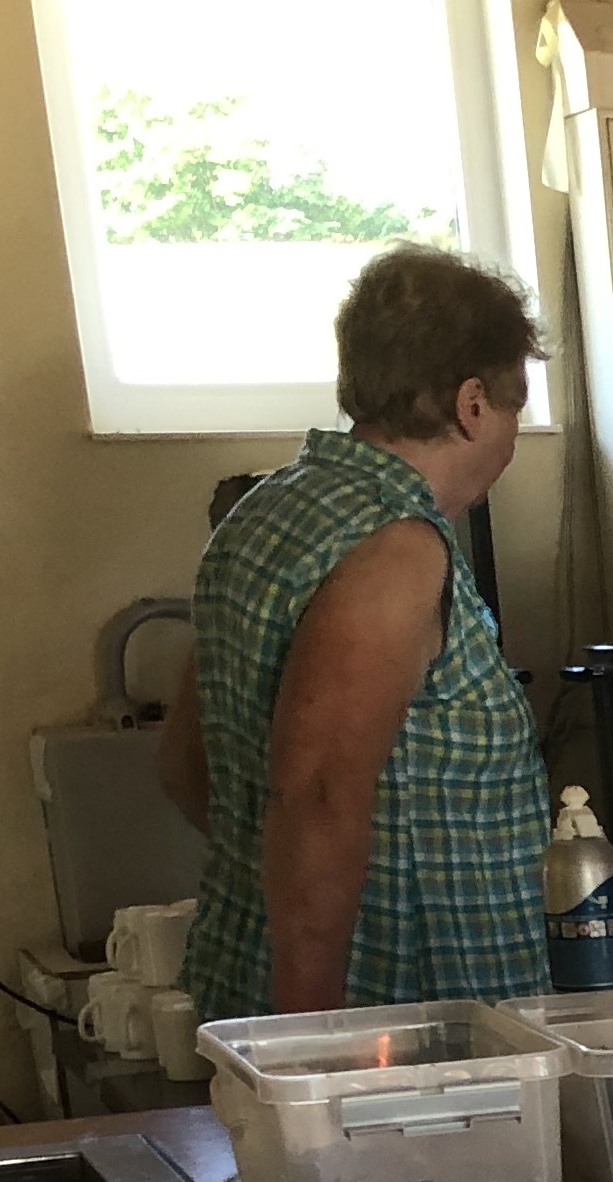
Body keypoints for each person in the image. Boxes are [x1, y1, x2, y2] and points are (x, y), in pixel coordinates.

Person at [162, 246, 549, 1020]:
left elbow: (186, 764)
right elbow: (317, 799)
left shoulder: (268, 509)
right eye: (515, 410)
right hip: (405, 1020)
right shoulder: (397, 547)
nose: (511, 436)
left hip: (257, 974)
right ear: (472, 404)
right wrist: (319, 1039)